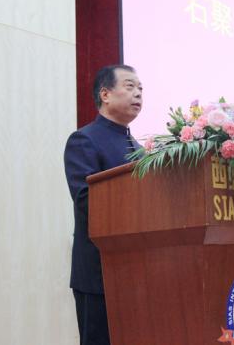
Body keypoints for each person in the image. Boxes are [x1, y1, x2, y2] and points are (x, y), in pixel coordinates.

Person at [63, 65, 143, 345]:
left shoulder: (140, 149)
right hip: (99, 274)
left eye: (141, 89)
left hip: (139, 272)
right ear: (105, 95)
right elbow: (86, 200)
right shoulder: (84, 140)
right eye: (130, 86)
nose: (138, 93)